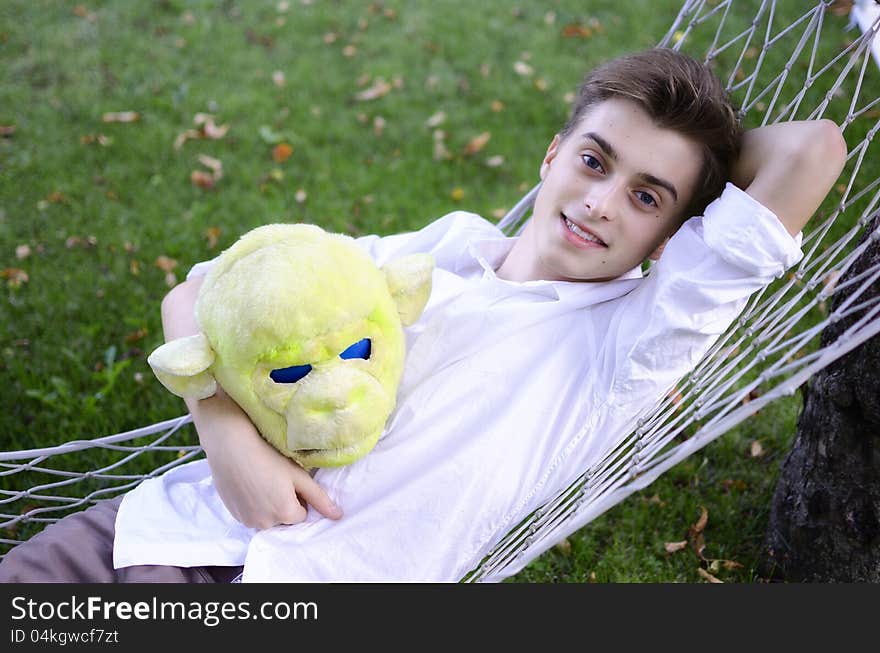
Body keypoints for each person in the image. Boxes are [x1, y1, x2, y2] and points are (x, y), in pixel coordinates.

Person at [0, 48, 847, 583]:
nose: (600, 202)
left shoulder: (626, 348)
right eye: (593, 160)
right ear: (553, 156)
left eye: (645, 196)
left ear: (672, 238)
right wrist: (226, 440)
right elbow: (196, 292)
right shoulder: (443, 249)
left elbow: (813, 151)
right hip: (169, 531)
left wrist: (704, 181)